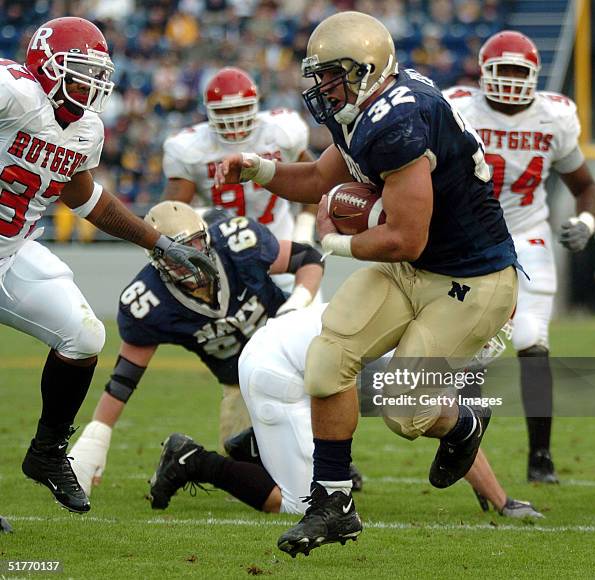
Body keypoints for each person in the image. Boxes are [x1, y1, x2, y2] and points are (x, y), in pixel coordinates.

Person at [216, 11, 520, 556]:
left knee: (405, 410)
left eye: (333, 74)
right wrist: (257, 169)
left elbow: (405, 238)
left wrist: (330, 243)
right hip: (415, 269)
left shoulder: (398, 122)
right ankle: (332, 505)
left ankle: (463, 422)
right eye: (320, 75)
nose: (324, 87)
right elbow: (315, 179)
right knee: (327, 361)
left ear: (367, 68)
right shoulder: (363, 109)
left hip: (472, 279)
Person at [0, 17, 214, 514]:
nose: (90, 85)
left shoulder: (86, 128)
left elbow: (82, 194)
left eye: (97, 74)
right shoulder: (15, 92)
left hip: (13, 249)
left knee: (84, 336)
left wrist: (156, 241)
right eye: (79, 71)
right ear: (45, 66)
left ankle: (48, 454)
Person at [146, 304, 541, 518]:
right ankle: (194, 460)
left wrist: (501, 500)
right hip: (281, 370)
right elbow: (450, 426)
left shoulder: (421, 316)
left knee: (400, 415)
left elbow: (456, 434)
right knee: (299, 506)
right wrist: (502, 501)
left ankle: (257, 446)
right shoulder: (420, 348)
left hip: (304, 362)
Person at [69, 201, 324, 496]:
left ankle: (323, 457)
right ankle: (190, 459)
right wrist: (98, 434)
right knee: (270, 483)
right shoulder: (150, 301)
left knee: (347, 392)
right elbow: (125, 376)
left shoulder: (236, 243)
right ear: (157, 259)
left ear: (207, 237)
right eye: (179, 253)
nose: (193, 258)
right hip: (244, 386)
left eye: (197, 244)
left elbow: (308, 257)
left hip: (295, 358)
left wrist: (296, 304)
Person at [444, 31, 595, 483]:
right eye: (503, 70)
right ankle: (466, 450)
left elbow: (586, 187)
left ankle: (541, 458)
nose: (511, 81)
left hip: (528, 234)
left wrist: (587, 223)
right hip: (472, 238)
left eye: (519, 72)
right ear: (483, 73)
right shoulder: (459, 108)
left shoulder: (554, 117)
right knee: (471, 348)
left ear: (534, 76)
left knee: (532, 338)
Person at [162, 67, 318, 251]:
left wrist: (304, 232)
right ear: (209, 111)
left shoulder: (281, 132)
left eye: (240, 108)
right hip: (222, 253)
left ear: (255, 105)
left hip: (280, 244)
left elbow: (314, 181)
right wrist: (202, 218)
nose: (234, 118)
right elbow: (172, 213)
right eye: (225, 110)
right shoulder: (189, 148)